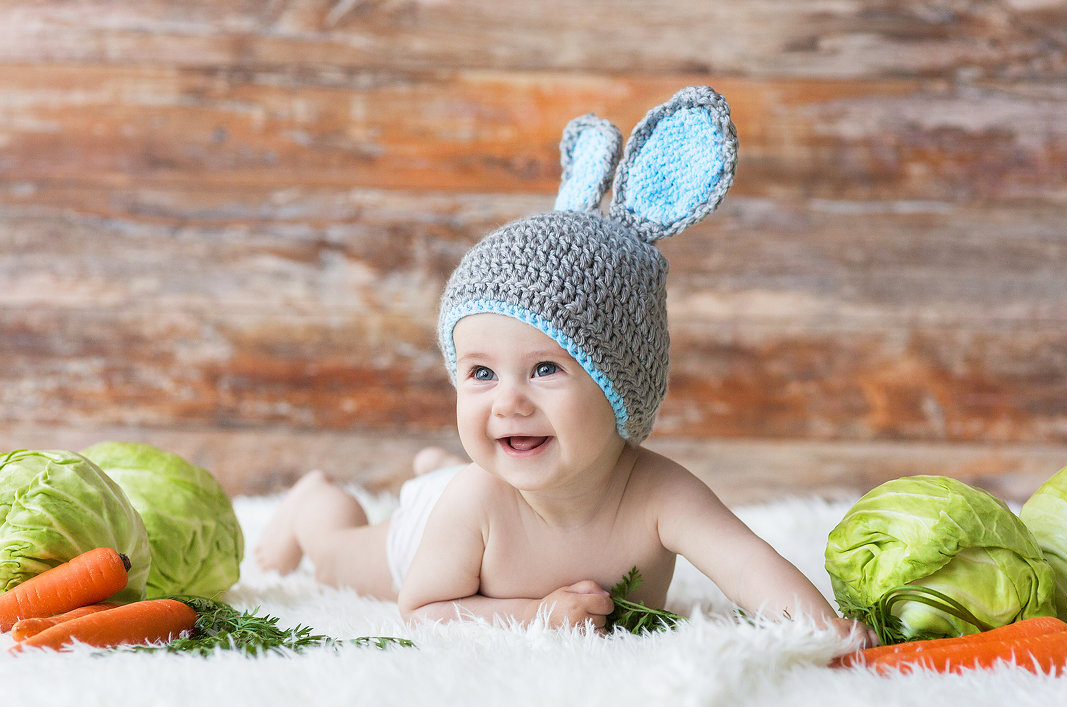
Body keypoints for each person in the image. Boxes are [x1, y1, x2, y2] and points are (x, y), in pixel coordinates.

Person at [255, 87, 876, 647]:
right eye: (481, 374)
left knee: (460, 473)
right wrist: (534, 616)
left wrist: (827, 630)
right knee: (338, 557)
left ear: (621, 387)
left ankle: (430, 469)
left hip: (477, 490)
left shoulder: (659, 493)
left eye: (545, 369)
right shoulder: (480, 498)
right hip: (432, 533)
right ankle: (313, 500)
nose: (508, 402)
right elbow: (423, 609)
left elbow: (746, 565)